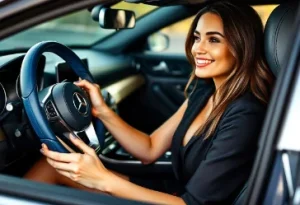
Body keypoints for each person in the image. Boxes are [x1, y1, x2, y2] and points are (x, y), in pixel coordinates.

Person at [25, 1, 274, 204]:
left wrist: (101, 179)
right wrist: (101, 111)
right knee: (51, 166)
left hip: (175, 201)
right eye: (197, 37)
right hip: (169, 192)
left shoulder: (245, 116)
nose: (198, 48)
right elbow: (150, 148)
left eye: (214, 39)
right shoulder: (205, 90)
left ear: (243, 47)